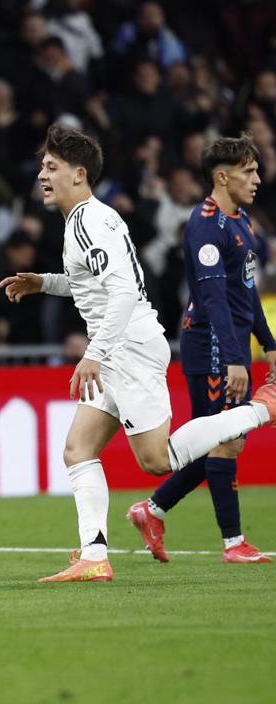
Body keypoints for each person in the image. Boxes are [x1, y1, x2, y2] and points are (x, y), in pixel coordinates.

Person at [0, 124, 276, 583]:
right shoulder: (89, 219)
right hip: (122, 343)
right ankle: (93, 556)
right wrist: (43, 283)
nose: (42, 176)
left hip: (124, 346)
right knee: (78, 449)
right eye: (42, 167)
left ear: (79, 173)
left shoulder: (88, 222)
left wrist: (94, 353)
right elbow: (94, 286)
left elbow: (124, 291)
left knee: (157, 460)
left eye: (52, 167)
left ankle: (262, 410)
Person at [129, 134, 276, 564]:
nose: (257, 179)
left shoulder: (241, 221)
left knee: (220, 439)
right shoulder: (205, 224)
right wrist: (234, 357)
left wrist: (268, 345)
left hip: (227, 341)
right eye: (249, 171)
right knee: (225, 441)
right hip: (211, 341)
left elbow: (246, 293)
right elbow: (212, 299)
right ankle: (233, 544)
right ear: (222, 175)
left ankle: (152, 510)